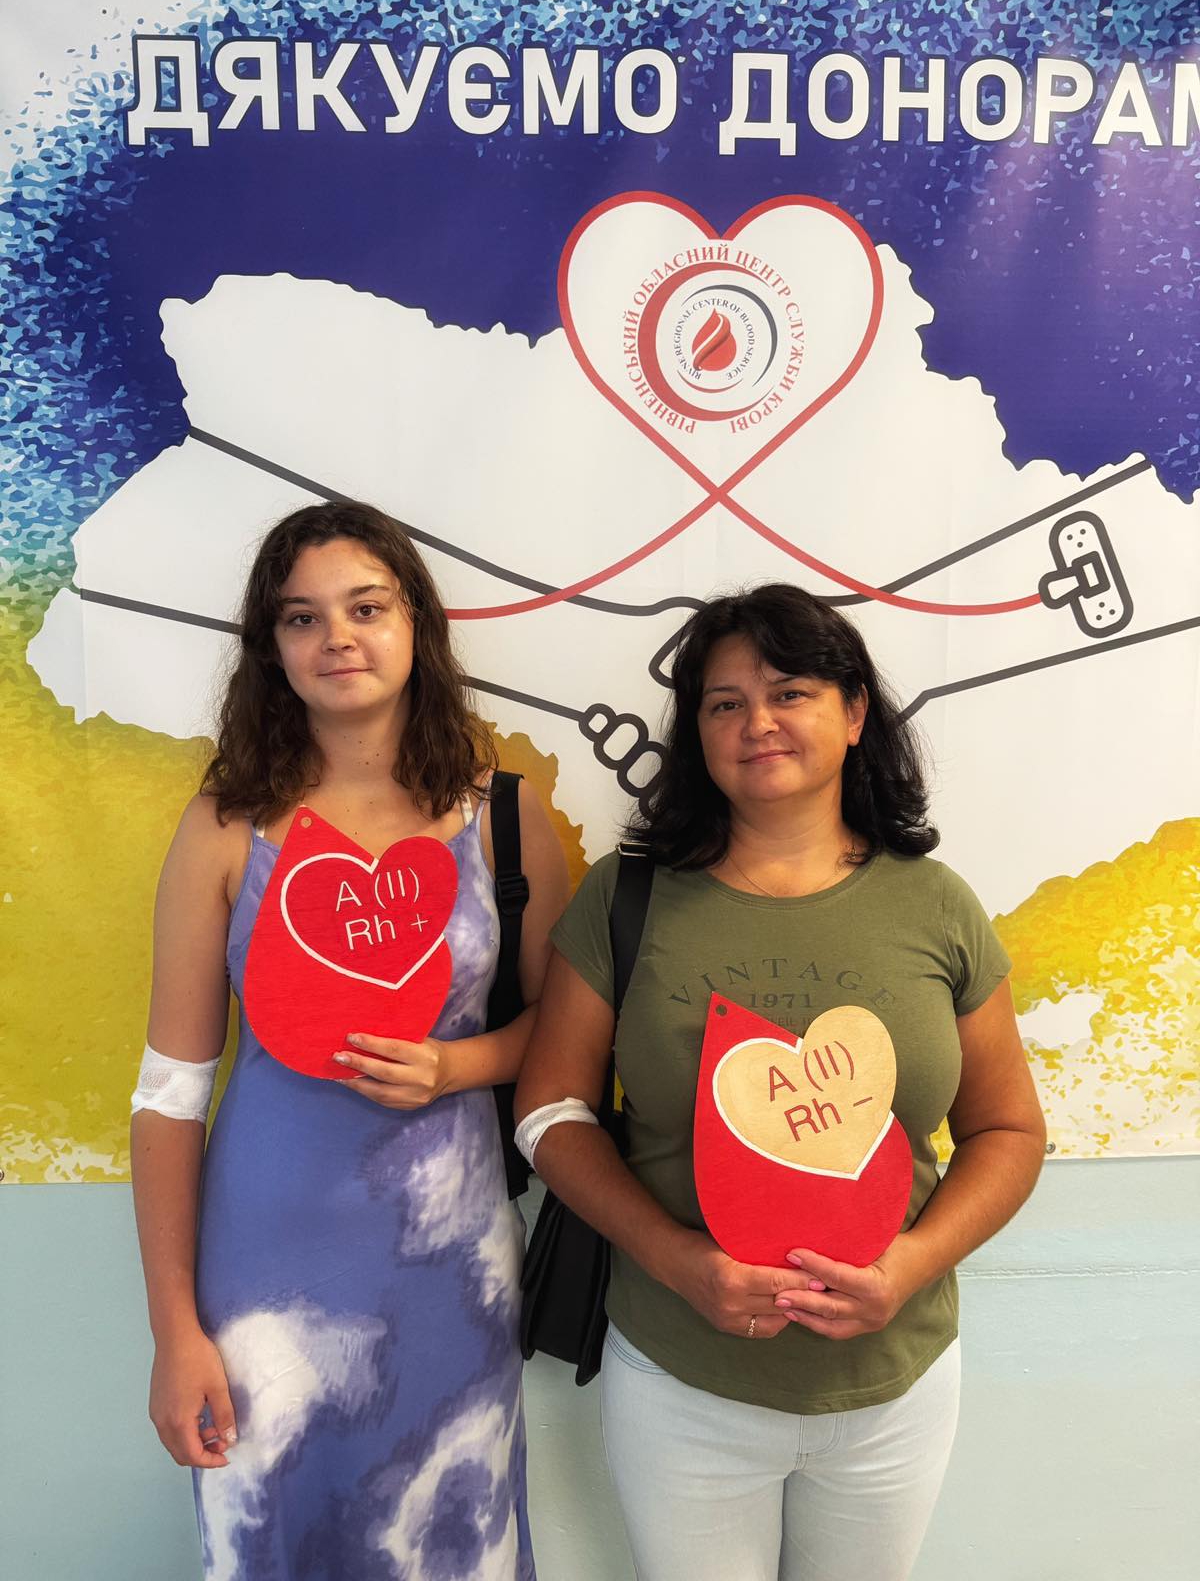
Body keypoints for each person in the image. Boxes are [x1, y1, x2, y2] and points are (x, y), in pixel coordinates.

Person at [515, 583, 1046, 1581]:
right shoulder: (628, 897)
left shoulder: (937, 905)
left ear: (855, 714)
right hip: (681, 1382)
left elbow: (1010, 1131)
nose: (757, 722)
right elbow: (548, 1110)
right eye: (725, 703)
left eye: (790, 692)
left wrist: (910, 1265)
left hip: (893, 1388)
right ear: (697, 733)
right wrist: (678, 1261)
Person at [131, 499, 567, 1579]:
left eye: (366, 608)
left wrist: (458, 1066)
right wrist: (175, 1330)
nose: (337, 637)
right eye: (302, 617)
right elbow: (170, 1094)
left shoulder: (510, 821)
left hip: (451, 1271)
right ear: (271, 648)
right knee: (274, 1539)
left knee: (447, 1539)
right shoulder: (224, 827)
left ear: (416, 622)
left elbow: (568, 1044)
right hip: (262, 1283)